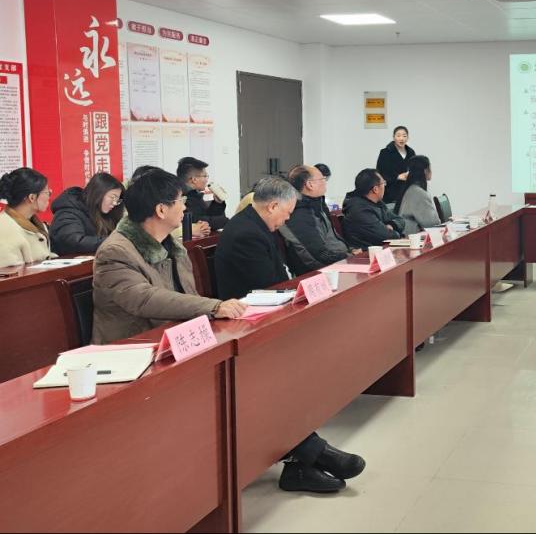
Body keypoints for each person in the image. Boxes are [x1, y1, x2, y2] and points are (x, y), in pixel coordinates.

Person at [214, 176, 367, 493]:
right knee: (285, 378)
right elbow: (268, 286)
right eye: (286, 213)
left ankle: (305, 460)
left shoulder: (257, 225)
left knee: (296, 374)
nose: (287, 219)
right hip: (245, 329)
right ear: (272, 206)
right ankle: (311, 456)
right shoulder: (246, 233)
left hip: (261, 320)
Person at [90, 170, 247, 344]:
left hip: (175, 339)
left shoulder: (174, 247)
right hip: (133, 347)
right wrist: (213, 307)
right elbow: (146, 299)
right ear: (161, 210)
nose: (185, 207)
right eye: (181, 201)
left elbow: (188, 295)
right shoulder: (114, 252)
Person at [280, 165, 357, 275]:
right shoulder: (299, 212)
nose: (325, 182)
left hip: (338, 261)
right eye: (322, 179)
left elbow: (332, 239)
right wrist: (349, 257)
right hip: (321, 272)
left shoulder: (317, 204)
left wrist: (351, 251)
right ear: (310, 185)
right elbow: (318, 255)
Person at [50, 172, 125, 255]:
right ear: (98, 193)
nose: (114, 203)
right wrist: (112, 241)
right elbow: (73, 242)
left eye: (117, 200)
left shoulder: (104, 213)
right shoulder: (68, 211)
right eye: (112, 197)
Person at [0, 167, 54, 267]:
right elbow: (9, 272)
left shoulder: (36, 224)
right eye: (47, 193)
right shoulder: (4, 229)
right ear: (32, 197)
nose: (49, 197)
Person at [342, 169, 406, 249]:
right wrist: (395, 233)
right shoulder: (359, 210)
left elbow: (400, 220)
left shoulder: (377, 203)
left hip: (381, 249)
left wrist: (391, 225)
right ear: (375, 189)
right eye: (383, 183)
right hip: (366, 253)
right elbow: (387, 237)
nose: (384, 186)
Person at [177, 157, 227, 233]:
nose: (207, 180)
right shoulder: (181, 197)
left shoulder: (195, 195)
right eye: (205, 176)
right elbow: (195, 221)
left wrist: (217, 203)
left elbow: (207, 215)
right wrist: (226, 221)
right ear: (194, 179)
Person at [396, 155, 442, 234]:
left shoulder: (412, 188)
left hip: (411, 235)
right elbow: (432, 223)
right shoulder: (418, 193)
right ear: (425, 171)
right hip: (413, 237)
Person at [375, 125, 415, 206]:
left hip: (407, 191)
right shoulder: (385, 152)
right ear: (394, 137)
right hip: (390, 192)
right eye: (398, 136)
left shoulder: (411, 153)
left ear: (408, 138)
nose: (401, 138)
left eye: (404, 136)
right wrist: (397, 176)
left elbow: (415, 168)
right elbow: (380, 173)